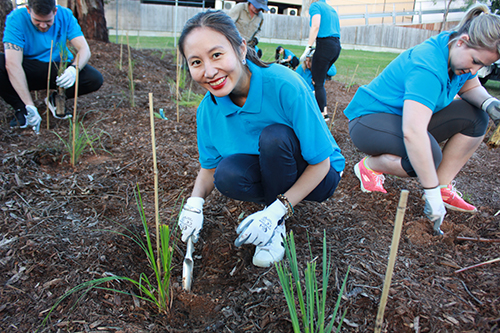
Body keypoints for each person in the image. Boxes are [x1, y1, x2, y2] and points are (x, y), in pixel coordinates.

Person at [177, 10, 345, 268]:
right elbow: (209, 169)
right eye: (196, 62)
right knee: (227, 174)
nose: (209, 71)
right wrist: (195, 202)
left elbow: (321, 164)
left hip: (320, 176)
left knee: (274, 137)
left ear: (241, 49)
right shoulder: (208, 111)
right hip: (272, 170)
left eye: (217, 55)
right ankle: (271, 211)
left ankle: (274, 223)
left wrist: (275, 212)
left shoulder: (285, 85)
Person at [343, 4, 500, 235]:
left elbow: (470, 88)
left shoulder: (458, 58)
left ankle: (444, 185)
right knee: (429, 156)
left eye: (482, 66)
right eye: (475, 61)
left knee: (476, 117)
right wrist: (430, 192)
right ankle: (370, 167)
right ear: (461, 41)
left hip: (403, 119)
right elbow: (413, 132)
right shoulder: (428, 65)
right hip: (370, 121)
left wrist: (489, 104)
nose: (475, 69)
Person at [0, 0, 103, 133]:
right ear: (28, 10)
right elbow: (13, 65)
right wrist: (29, 105)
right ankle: (22, 109)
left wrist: (73, 70)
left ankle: (55, 99)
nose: (43, 25)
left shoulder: (65, 15)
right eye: (37, 20)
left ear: (55, 11)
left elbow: (84, 49)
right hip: (29, 69)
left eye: (48, 21)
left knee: (93, 78)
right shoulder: (16, 19)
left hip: (57, 68)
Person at [299, 0, 341, 116]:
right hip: (336, 46)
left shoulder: (315, 6)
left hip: (324, 46)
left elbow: (315, 26)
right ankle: (325, 112)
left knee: (317, 83)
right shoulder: (331, 9)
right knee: (318, 80)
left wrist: (308, 46)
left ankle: (320, 115)